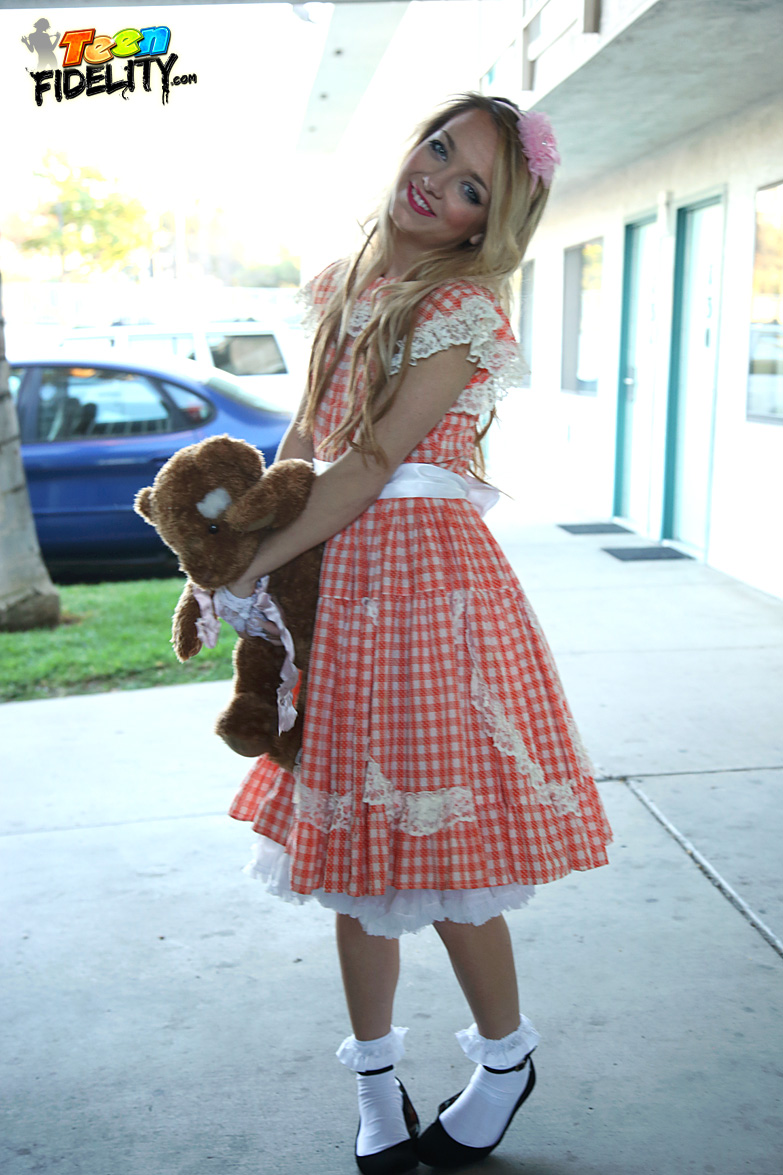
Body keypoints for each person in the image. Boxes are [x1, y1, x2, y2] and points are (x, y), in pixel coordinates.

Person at [226, 92, 612, 1173]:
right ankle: (374, 1081)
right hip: (342, 581)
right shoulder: (343, 284)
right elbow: (307, 440)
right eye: (439, 149)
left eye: (470, 185)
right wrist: (248, 545)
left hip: (426, 595)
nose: (436, 180)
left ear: (485, 224)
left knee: (442, 853)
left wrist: (251, 561)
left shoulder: (462, 309)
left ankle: (504, 1057)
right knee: (355, 855)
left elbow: (368, 462)